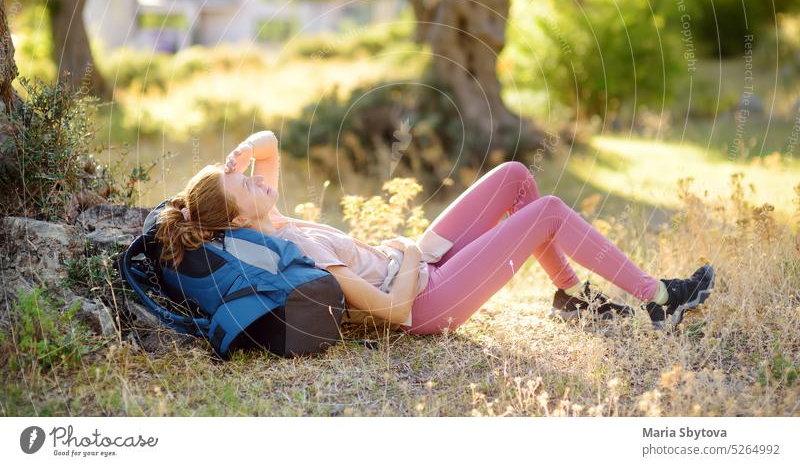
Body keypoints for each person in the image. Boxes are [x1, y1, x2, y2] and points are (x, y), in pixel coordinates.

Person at [155, 131, 715, 337]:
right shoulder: (293, 244)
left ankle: (571, 298)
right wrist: (405, 254)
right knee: (545, 211)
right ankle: (660, 298)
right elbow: (392, 313)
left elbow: (271, 143)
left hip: (419, 264)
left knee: (517, 178)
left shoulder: (267, 219)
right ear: (236, 218)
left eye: (248, 175)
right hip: (427, 300)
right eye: (244, 185)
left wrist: (245, 152)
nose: (257, 180)